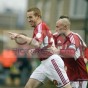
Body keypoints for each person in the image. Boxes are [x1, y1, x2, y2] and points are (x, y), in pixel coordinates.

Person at [8, 7, 72, 88]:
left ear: (37, 16)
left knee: (67, 87)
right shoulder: (38, 28)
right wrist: (35, 50)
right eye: (27, 17)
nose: (28, 20)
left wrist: (20, 36)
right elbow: (44, 45)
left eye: (31, 17)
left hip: (52, 61)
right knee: (28, 86)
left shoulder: (40, 26)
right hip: (44, 64)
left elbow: (37, 43)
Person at [52, 17, 88, 88]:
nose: (56, 29)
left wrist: (86, 59)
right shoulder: (56, 37)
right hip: (67, 75)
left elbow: (71, 53)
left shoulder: (74, 37)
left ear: (65, 27)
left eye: (57, 27)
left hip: (78, 76)